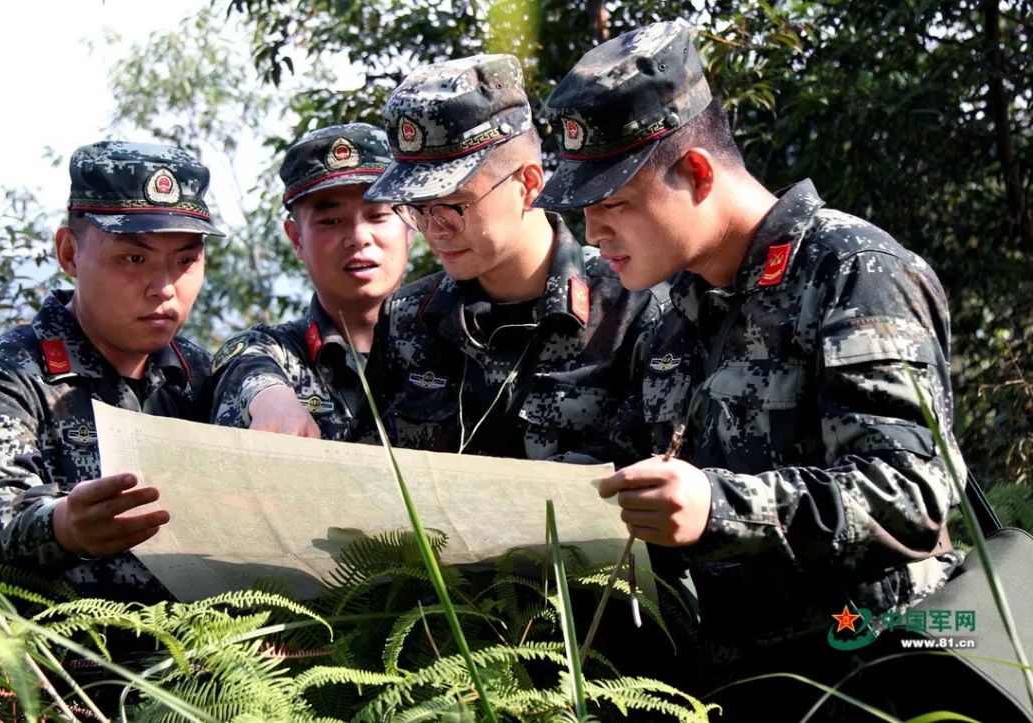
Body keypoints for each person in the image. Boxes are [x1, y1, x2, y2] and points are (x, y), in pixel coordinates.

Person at [536, 19, 967, 720]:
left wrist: (719, 506)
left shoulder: (853, 272)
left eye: (612, 204)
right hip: (736, 687)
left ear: (697, 174)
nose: (595, 234)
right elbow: (625, 462)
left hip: (873, 679)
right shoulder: (678, 309)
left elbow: (914, 493)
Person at [360, 53, 667, 461]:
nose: (434, 230)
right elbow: (368, 466)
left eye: (453, 206)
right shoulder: (406, 317)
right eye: (417, 209)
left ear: (528, 184)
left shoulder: (634, 309)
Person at [0, 140, 222, 605]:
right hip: (58, 650)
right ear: (69, 253)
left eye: (185, 260)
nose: (164, 288)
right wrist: (61, 528)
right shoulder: (5, 377)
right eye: (134, 259)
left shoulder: (199, 374)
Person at [210, 123, 410, 440]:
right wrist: (270, 399)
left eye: (377, 216)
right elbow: (248, 369)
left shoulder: (455, 339)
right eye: (331, 221)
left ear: (410, 221)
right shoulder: (275, 354)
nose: (358, 237)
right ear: (296, 239)